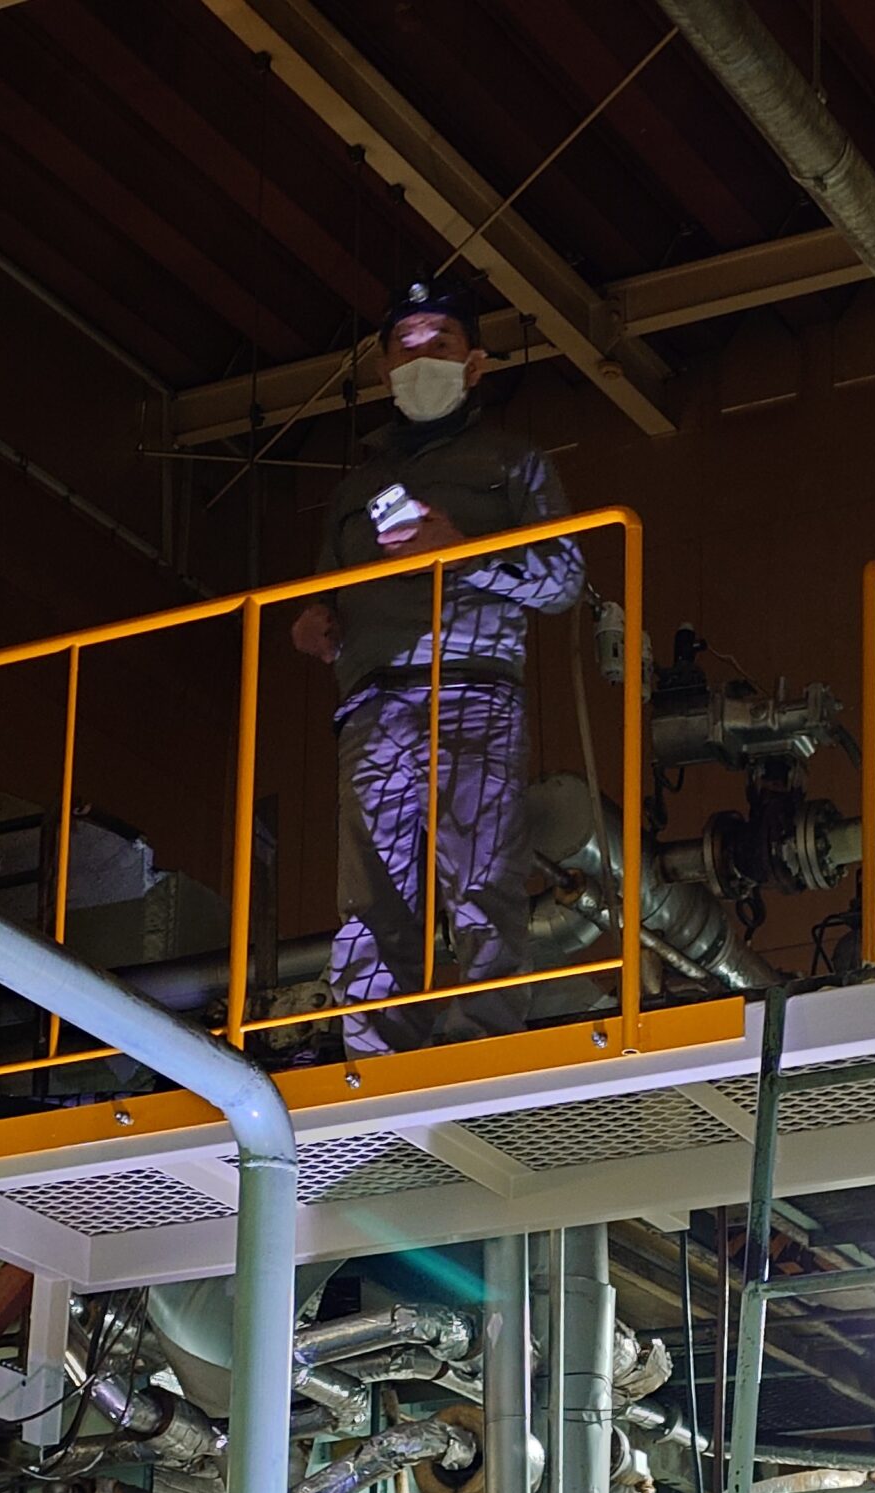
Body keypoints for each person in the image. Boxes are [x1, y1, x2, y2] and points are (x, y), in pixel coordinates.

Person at [290, 278, 583, 1055]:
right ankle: (374, 1062)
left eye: (441, 341)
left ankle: (481, 1046)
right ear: (384, 368)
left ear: (475, 364)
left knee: (482, 880)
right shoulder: (355, 490)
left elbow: (562, 581)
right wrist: (316, 626)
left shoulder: (514, 462)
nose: (422, 355)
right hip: (372, 705)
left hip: (473, 690)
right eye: (407, 343)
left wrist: (463, 550)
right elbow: (325, 596)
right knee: (371, 902)